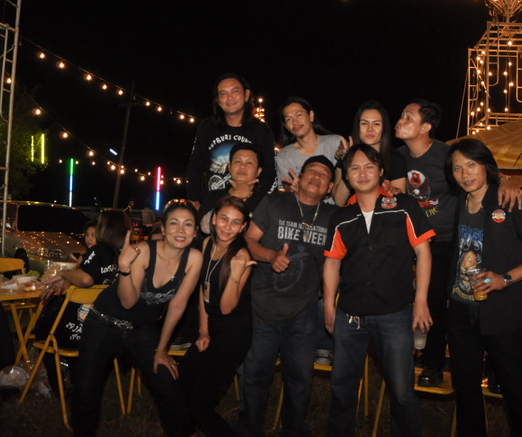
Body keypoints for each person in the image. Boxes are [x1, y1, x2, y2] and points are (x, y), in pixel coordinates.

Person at [395, 98, 522, 388]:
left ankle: (498, 370)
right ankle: (432, 364)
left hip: (455, 241)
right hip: (420, 244)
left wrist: (506, 180)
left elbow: (482, 169)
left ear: (425, 127)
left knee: (475, 300)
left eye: (407, 116)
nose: (399, 121)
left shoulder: (446, 154)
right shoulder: (398, 157)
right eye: (401, 116)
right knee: (431, 302)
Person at [324, 144, 435, 437]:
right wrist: (328, 306)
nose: (362, 173)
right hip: (349, 314)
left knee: (402, 390)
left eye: (369, 166)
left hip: (394, 313)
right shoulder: (340, 217)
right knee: (342, 387)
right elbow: (332, 263)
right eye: (354, 168)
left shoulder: (403, 206)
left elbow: (423, 252)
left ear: (381, 171)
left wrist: (421, 301)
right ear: (347, 176)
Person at [444, 138, 522, 437]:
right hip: (461, 311)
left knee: (515, 390)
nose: (465, 174)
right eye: (457, 168)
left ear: (486, 166)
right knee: (465, 390)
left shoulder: (510, 200)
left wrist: (505, 278)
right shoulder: (458, 202)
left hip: (501, 312)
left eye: (471, 165)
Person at [70, 200, 203, 437]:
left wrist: (161, 350)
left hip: (141, 328)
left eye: (188, 224)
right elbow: (128, 302)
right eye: (174, 223)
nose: (181, 230)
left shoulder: (194, 258)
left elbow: (177, 305)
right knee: (86, 390)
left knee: (167, 382)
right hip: (103, 322)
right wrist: (124, 268)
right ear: (163, 229)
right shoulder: (143, 251)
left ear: (195, 232)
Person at [238, 156, 338, 437]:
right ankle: (250, 430)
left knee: (300, 378)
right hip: (263, 307)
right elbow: (248, 239)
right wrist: (270, 256)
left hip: (304, 312)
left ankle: (293, 430)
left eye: (324, 174)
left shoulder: (333, 216)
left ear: (330, 187)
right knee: (256, 375)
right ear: (300, 177)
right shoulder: (275, 202)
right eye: (312, 171)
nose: (317, 176)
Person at [179, 196, 256, 436]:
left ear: (243, 227)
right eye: (224, 219)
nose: (227, 226)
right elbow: (204, 292)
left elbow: (226, 308)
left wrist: (235, 275)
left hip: (234, 333)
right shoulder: (207, 245)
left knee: (200, 405)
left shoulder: (241, 256)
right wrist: (203, 331)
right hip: (211, 327)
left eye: (235, 222)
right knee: (181, 384)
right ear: (213, 219)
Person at [34, 211, 128, 391]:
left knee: (41, 330)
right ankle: (78, 381)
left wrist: (64, 274)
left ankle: (58, 386)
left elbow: (86, 279)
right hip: (108, 332)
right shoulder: (123, 255)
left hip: (83, 331)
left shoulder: (98, 251)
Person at [187, 73, 278, 208]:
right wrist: (194, 200)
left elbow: (270, 173)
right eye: (223, 93)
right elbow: (195, 167)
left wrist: (252, 205)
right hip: (214, 205)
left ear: (246, 95)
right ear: (218, 100)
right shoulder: (207, 127)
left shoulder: (261, 129)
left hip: (251, 206)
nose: (229, 97)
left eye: (235, 91)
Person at [331, 100, 408, 205]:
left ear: (384, 128)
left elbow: (399, 201)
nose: (370, 129)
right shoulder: (347, 154)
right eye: (364, 123)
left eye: (376, 124)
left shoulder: (395, 159)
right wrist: (348, 160)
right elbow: (339, 201)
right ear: (358, 127)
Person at [276, 97, 342, 191]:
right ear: (286, 127)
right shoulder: (284, 157)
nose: (295, 122)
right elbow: (288, 189)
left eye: (299, 115)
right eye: (289, 119)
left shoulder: (335, 143)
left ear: (311, 116)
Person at [198, 142, 263, 235]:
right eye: (238, 161)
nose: (242, 166)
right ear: (230, 167)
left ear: (258, 171)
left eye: (249, 163)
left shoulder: (265, 201)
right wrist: (233, 196)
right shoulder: (212, 196)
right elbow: (205, 228)